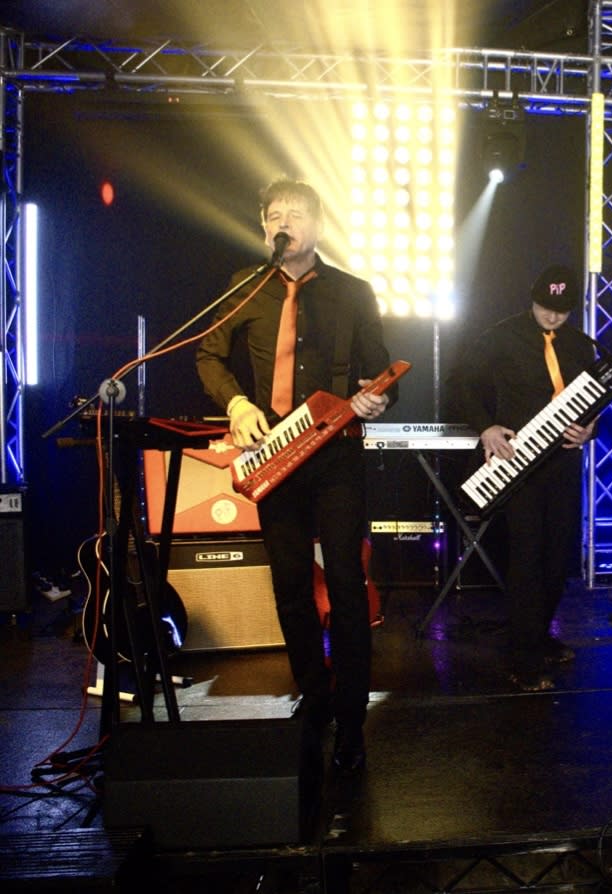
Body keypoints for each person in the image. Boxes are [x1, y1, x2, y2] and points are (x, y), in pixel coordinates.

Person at [197, 177, 394, 774]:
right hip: (275, 454)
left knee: (345, 582)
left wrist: (376, 397)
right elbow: (208, 354)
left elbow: (380, 371)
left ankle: (352, 719)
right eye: (275, 215)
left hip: (335, 454)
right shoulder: (247, 287)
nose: (284, 223)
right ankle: (315, 695)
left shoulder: (352, 292)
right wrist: (237, 404)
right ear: (264, 228)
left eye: (296, 214)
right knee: (289, 585)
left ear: (319, 225)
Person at [453, 264, 597, 693]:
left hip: (563, 463)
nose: (553, 317)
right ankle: (523, 658)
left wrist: (590, 429)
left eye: (562, 311)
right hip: (517, 462)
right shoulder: (501, 336)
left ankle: (539, 636)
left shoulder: (580, 345)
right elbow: (460, 383)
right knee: (527, 558)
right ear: (532, 299)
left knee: (557, 558)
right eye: (546, 308)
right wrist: (485, 427)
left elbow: (594, 401)